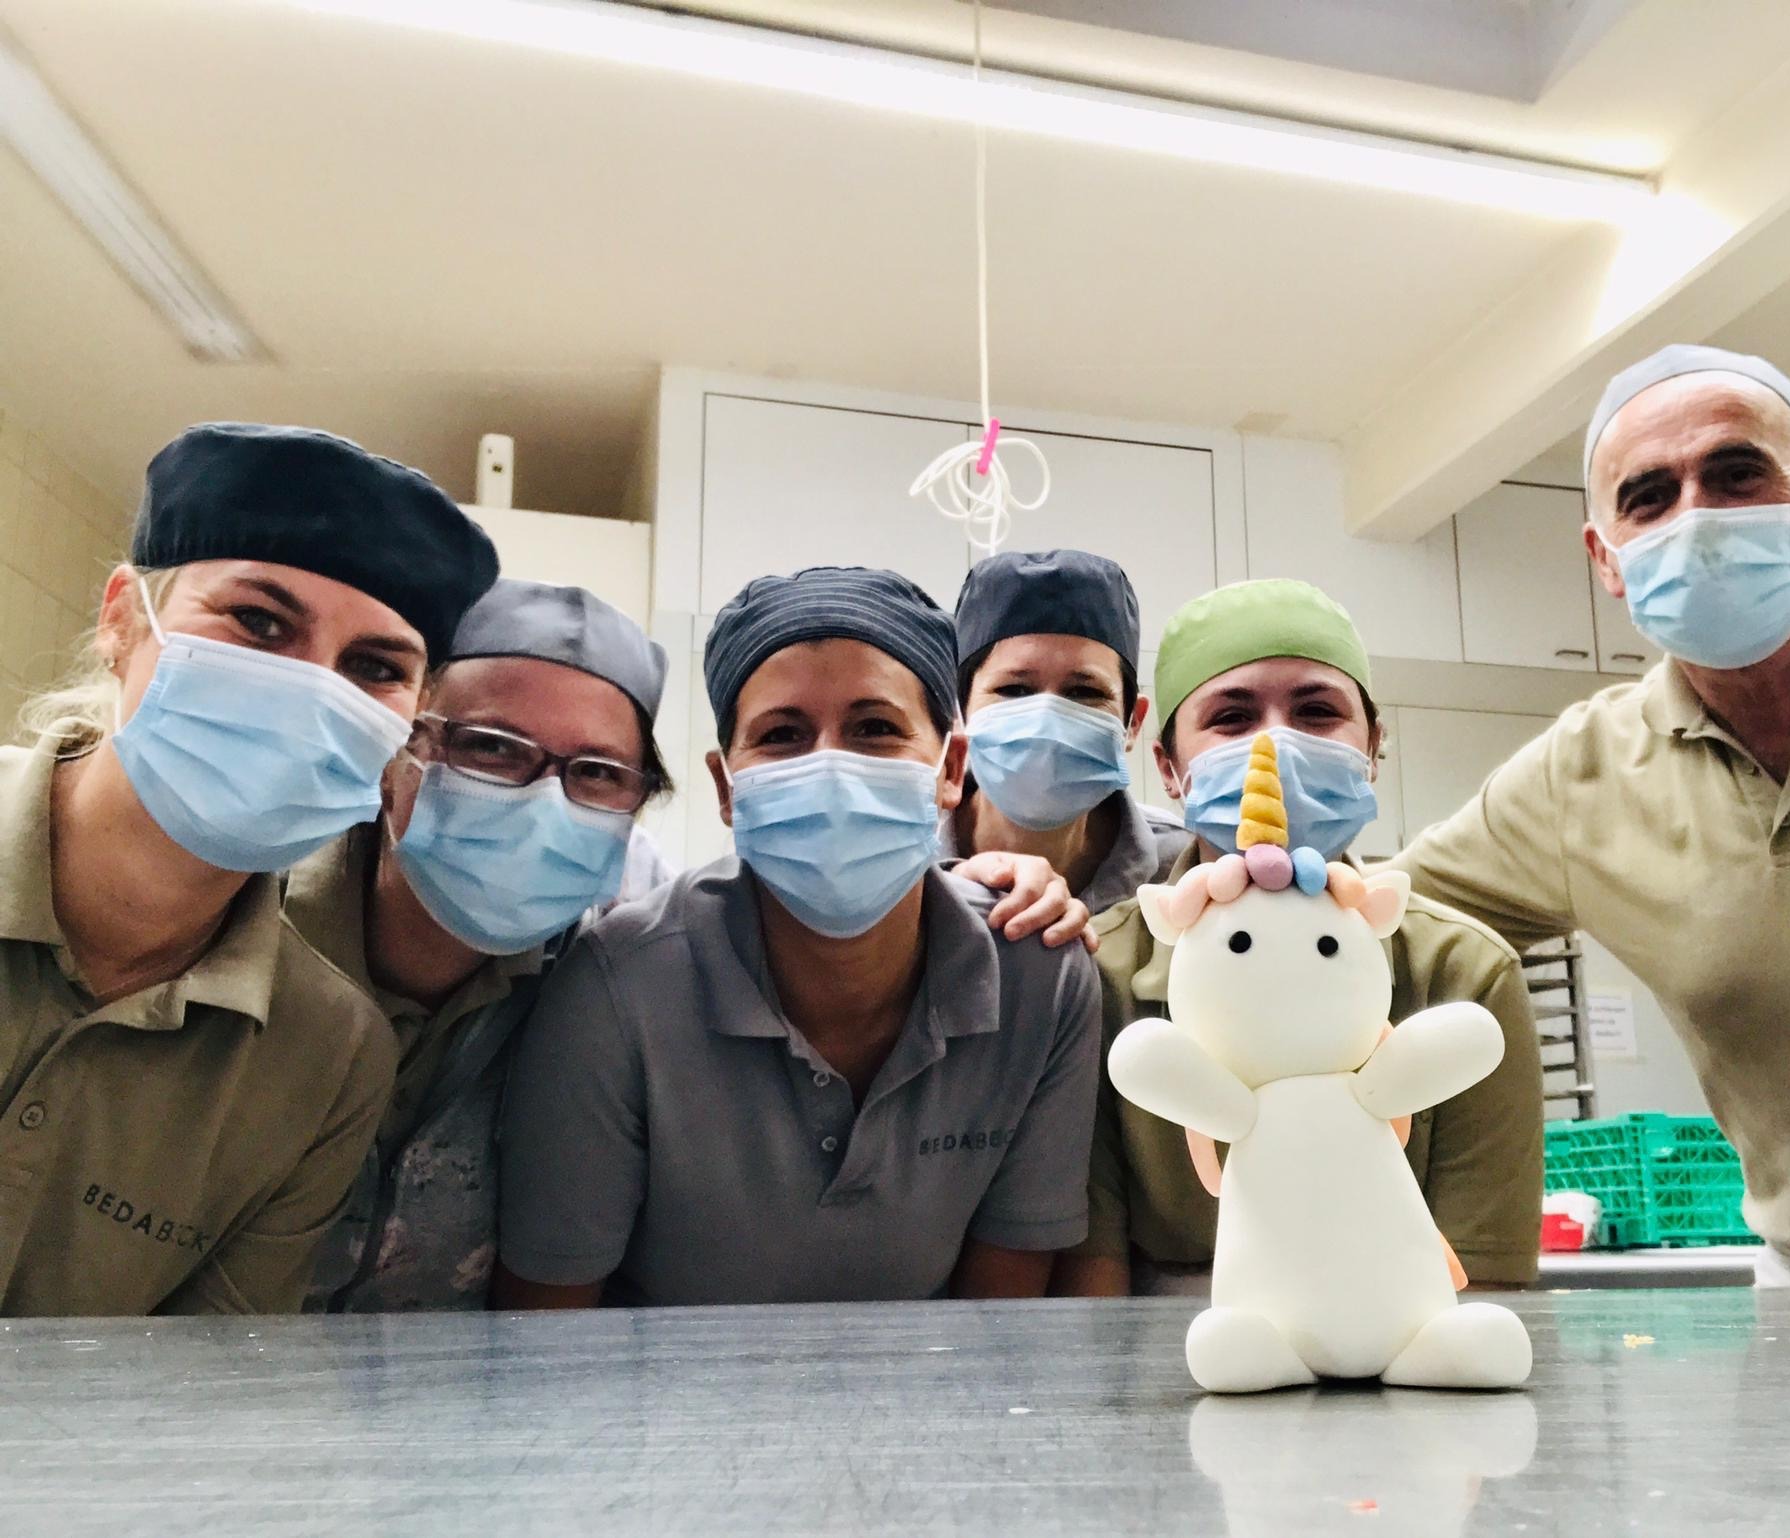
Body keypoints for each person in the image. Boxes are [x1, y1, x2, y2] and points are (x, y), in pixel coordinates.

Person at [1390, 343, 1790, 1286]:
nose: (1696, 518)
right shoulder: (1581, 777)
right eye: (1649, 496)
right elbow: (1371, 928)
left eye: (1737, 474)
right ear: (1606, 559)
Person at [492, 566, 1104, 1308]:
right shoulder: (620, 992)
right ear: (726, 789)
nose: (831, 767)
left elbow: (999, 1319)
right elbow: (549, 1329)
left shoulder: (1040, 975)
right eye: (782, 735)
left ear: (951, 768)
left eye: (875, 729)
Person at [0, 422, 497, 1315]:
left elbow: (206, 1373)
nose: (309, 689)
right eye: (258, 622)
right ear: (122, 618)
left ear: (411, 719)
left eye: (374, 666)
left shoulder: (328, 1059)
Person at [1065, 579, 1545, 1297]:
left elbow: (1485, 1281)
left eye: (1317, 712)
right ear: (1169, 769)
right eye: (1231, 718)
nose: (1275, 744)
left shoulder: (1464, 973)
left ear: (1373, 748)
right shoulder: (1100, 974)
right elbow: (1092, 1283)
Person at [286, 579, 674, 1311]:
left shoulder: (609, 994)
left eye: (596, 773)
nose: (543, 802)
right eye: (491, 748)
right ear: (396, 753)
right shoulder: (249, 933)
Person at [947, 550, 1190, 912]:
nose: (1046, 719)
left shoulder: (1183, 869)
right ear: (959, 711)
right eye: (1014, 689)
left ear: (1132, 723)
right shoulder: (903, 863)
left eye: (1084, 692)